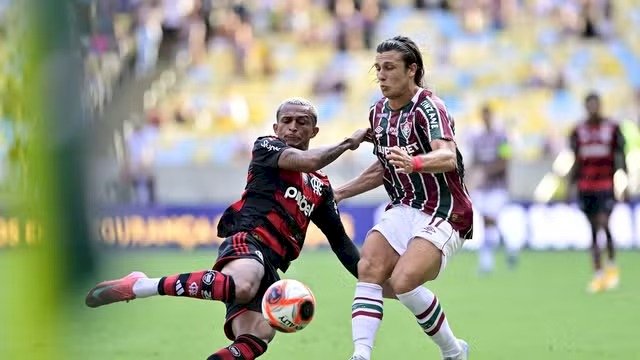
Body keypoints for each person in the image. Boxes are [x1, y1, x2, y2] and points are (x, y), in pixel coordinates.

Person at [86, 98, 371, 360]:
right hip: (249, 240)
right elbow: (309, 160)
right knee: (245, 284)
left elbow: (341, 244)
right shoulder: (267, 147)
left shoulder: (320, 188)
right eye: (287, 121)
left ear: (314, 131)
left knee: (260, 332)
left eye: (302, 122)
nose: (293, 127)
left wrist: (375, 281)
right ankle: (140, 285)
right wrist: (348, 142)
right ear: (276, 127)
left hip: (272, 265)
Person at [334, 36, 472, 360]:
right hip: (403, 206)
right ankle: (361, 354)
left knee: (403, 281)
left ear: (412, 70)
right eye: (378, 68)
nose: (381, 75)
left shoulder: (429, 107)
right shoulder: (378, 112)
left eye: (390, 68)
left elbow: (448, 157)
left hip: (444, 211)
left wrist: (416, 163)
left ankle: (453, 351)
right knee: (368, 267)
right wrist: (338, 194)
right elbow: (383, 166)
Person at [569, 92, 626, 293]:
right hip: (586, 186)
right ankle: (598, 274)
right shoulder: (578, 130)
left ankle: (611, 266)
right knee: (593, 229)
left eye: (595, 105)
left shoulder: (613, 128)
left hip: (606, 184)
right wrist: (571, 184)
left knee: (604, 223)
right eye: (589, 105)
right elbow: (575, 159)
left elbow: (620, 156)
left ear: (600, 106)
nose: (592, 109)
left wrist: (623, 181)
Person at [468, 104, 515, 274]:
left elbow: (505, 159)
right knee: (486, 221)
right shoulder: (477, 139)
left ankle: (486, 260)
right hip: (483, 188)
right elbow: (474, 161)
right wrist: (468, 179)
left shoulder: (501, 137)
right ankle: (508, 245)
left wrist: (486, 173)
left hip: (498, 187)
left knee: (489, 219)